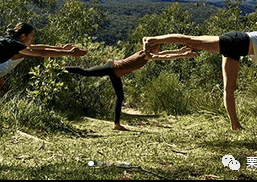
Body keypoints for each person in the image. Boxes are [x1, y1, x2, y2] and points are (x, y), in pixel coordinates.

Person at [65, 45, 197, 131]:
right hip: (112, 68)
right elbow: (164, 56)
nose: (160, 51)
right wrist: (182, 55)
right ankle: (61, 70)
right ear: (153, 49)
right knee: (84, 72)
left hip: (116, 73)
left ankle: (116, 124)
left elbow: (164, 53)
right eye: (158, 48)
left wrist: (179, 51)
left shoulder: (147, 53)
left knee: (120, 96)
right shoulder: (146, 54)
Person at [0, 43, 79, 94]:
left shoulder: (21, 46)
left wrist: (60, 48)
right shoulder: (17, 48)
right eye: (30, 35)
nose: (31, 39)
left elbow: (41, 47)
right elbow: (42, 53)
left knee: (0, 95)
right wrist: (68, 53)